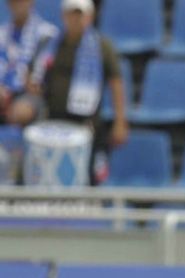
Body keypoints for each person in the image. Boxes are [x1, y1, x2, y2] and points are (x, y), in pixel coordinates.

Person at [28, 0, 128, 184]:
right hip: (52, 120)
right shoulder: (49, 45)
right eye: (72, 14)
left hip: (87, 124)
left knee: (86, 176)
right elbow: (33, 74)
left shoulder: (102, 47)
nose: (76, 20)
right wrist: (33, 85)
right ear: (63, 16)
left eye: (80, 14)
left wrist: (120, 121)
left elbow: (116, 83)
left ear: (90, 17)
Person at [0, 0, 58, 126]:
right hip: (3, 91)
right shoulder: (2, 33)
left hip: (29, 95)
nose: (18, 4)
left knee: (21, 111)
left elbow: (41, 78)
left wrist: (35, 82)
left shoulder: (47, 33)